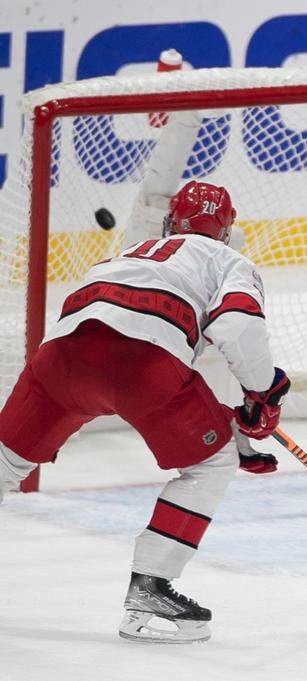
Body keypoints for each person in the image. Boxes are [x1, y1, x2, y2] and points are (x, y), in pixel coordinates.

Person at [0, 181, 290, 644]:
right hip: (143, 365)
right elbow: (237, 327)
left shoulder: (131, 251)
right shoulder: (228, 260)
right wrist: (264, 393)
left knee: (5, 460)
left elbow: (113, 341)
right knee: (210, 464)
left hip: (60, 359)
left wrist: (230, 424)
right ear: (228, 230)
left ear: (169, 221)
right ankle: (150, 588)